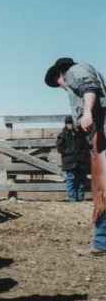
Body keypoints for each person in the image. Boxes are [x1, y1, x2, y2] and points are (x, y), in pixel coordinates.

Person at [44, 57, 106, 256]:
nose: (62, 87)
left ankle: (101, 242)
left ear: (59, 74)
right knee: (101, 187)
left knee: (102, 186)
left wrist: (87, 112)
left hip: (100, 129)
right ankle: (100, 242)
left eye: (58, 83)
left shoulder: (74, 71)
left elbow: (89, 88)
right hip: (96, 132)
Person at [56, 115, 90, 202]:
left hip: (80, 160)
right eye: (69, 123)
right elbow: (60, 148)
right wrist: (70, 151)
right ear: (66, 124)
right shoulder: (62, 135)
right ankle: (72, 198)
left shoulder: (79, 134)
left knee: (81, 179)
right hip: (69, 161)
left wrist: (83, 154)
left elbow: (86, 146)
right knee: (71, 178)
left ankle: (80, 197)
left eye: (71, 123)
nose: (70, 125)